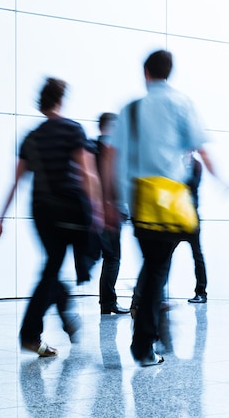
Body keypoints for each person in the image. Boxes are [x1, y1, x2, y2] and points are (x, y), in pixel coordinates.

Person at [104, 50, 218, 366]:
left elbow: (112, 156)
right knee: (157, 268)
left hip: (139, 199)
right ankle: (144, 342)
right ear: (169, 72)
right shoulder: (181, 104)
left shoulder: (131, 109)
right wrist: (220, 177)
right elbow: (201, 147)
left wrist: (110, 200)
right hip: (171, 202)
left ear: (146, 72)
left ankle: (149, 332)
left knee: (154, 266)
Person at [0, 77, 103, 357]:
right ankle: (30, 333)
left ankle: (65, 317)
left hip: (41, 212)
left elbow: (16, 181)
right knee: (55, 268)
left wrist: (1, 219)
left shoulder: (31, 137)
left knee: (52, 266)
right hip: (70, 210)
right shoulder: (73, 130)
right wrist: (99, 209)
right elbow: (88, 173)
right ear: (61, 100)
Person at [95, 113, 129, 315]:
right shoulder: (110, 149)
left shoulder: (91, 147)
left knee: (108, 258)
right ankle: (108, 303)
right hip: (110, 211)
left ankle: (106, 302)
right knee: (113, 258)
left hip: (96, 211)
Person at [184, 152, 209, 303]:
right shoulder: (175, 162)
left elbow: (193, 184)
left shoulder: (196, 165)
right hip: (175, 215)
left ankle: (201, 292)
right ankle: (158, 294)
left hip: (191, 216)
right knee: (164, 256)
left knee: (197, 255)